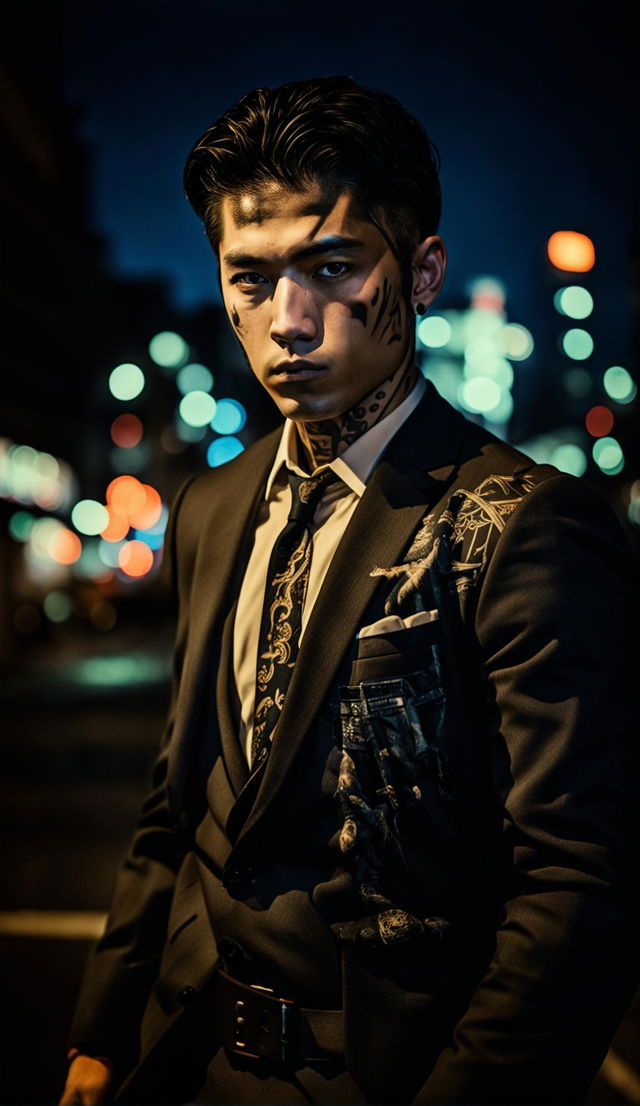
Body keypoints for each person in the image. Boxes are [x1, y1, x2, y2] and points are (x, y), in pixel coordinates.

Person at [60, 76, 639, 1105]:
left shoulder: (524, 521)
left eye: (331, 268)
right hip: (182, 1057)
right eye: (250, 277)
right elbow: (174, 801)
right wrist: (102, 1032)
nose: (287, 320)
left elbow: (580, 886)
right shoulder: (208, 505)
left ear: (420, 273)